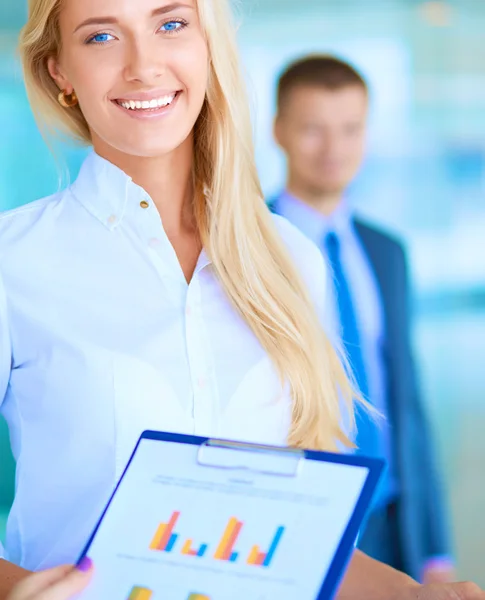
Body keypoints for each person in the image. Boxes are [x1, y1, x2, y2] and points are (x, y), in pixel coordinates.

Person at [0, 0, 483, 599]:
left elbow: (306, 546)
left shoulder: (292, 259)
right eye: (101, 37)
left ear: (208, 45)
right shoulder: (13, 263)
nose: (143, 65)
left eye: (170, 25)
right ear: (60, 72)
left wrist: (415, 595)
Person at [270, 55, 455, 584]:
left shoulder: (387, 252)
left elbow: (408, 402)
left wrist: (435, 548)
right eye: (313, 129)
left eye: (350, 129)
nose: (334, 149)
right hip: (300, 514)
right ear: (278, 130)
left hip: (392, 517)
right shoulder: (245, 249)